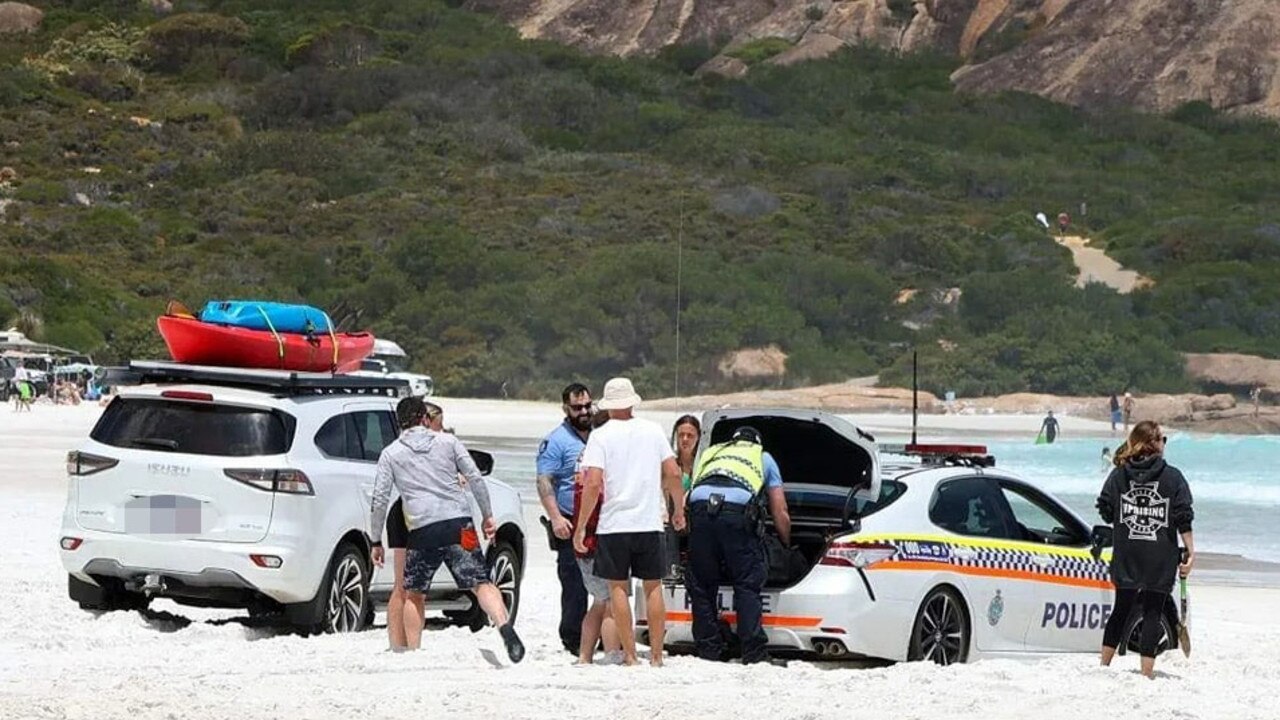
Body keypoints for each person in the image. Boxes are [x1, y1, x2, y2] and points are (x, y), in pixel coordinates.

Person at [369, 397, 524, 662]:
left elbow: (380, 499)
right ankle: (504, 626)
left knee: (415, 592)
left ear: (399, 423)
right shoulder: (448, 442)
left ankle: (413, 651)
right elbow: (475, 477)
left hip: (422, 528)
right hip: (459, 523)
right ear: (425, 419)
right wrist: (488, 515)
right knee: (481, 582)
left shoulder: (391, 453)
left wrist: (375, 539)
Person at [573, 377, 685, 667]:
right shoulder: (653, 430)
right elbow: (673, 473)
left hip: (614, 524)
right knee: (653, 586)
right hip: (649, 521)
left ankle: (632, 657)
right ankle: (657, 656)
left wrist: (582, 525)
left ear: (608, 406)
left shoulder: (601, 435)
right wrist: (678, 510)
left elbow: (593, 483)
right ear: (632, 401)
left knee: (617, 589)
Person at [1096, 421, 1194, 679]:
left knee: (1121, 608)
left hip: (1127, 553)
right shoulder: (1173, 477)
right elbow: (1183, 516)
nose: (1164, 443)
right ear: (1154, 443)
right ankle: (1146, 672)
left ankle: (1104, 665)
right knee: (1153, 611)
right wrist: (1190, 551)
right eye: (1163, 439)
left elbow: (1105, 509)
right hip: (1160, 555)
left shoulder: (1119, 475)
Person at [686, 426, 790, 665]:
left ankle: (708, 650)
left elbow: (692, 489)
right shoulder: (762, 456)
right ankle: (753, 653)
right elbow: (780, 509)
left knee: (701, 583)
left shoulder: (711, 452)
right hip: (736, 515)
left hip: (700, 508)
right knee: (747, 582)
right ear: (756, 442)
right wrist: (785, 542)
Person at [536, 382, 594, 654]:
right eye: (577, 407)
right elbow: (544, 481)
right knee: (573, 582)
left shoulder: (599, 435)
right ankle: (572, 637)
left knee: (604, 581)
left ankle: (596, 632)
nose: (583, 411)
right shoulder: (556, 441)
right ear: (565, 408)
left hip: (599, 519)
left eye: (587, 406)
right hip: (568, 520)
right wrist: (556, 517)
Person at [573, 410, 627, 664]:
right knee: (612, 602)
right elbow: (599, 492)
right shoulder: (604, 454)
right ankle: (612, 652)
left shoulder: (585, 455)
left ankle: (585, 656)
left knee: (598, 601)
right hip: (602, 535)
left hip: (586, 538)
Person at [383, 497, 412, 651]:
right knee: (406, 587)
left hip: (409, 511)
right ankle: (402, 645)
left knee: (404, 586)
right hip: (412, 515)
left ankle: (400, 645)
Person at [671, 415, 702, 497]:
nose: (685, 439)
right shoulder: (670, 465)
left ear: (698, 437)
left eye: (690, 435)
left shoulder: (702, 465)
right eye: (681, 435)